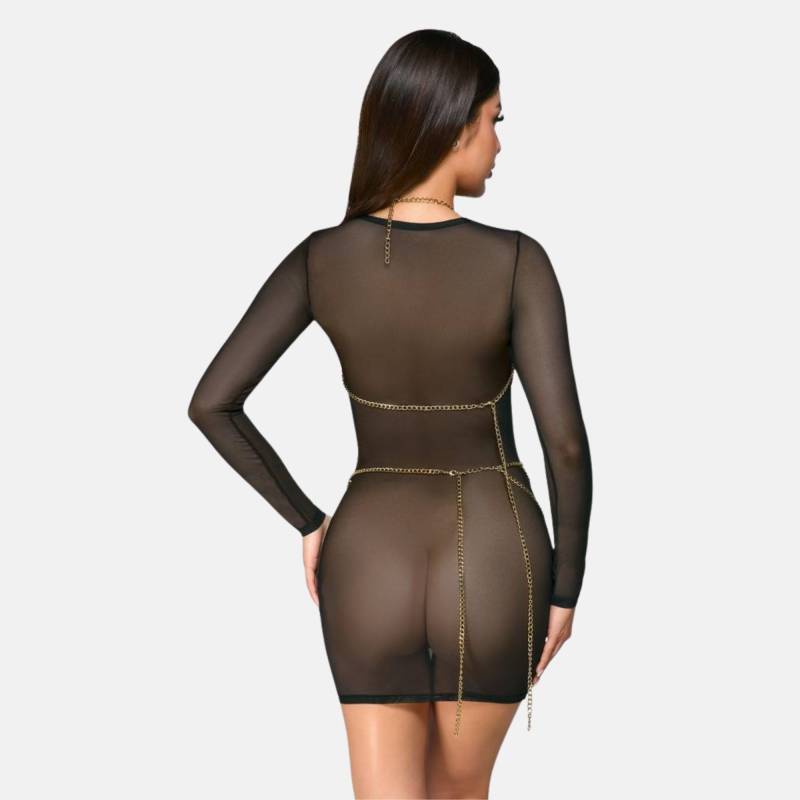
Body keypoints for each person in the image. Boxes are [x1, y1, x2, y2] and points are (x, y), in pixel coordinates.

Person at [188, 28, 592, 800]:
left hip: (367, 555)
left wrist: (308, 519)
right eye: (494, 121)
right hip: (495, 559)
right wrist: (567, 588)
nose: (499, 144)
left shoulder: (322, 257)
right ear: (453, 125)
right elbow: (565, 446)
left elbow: (213, 403)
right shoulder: (517, 261)